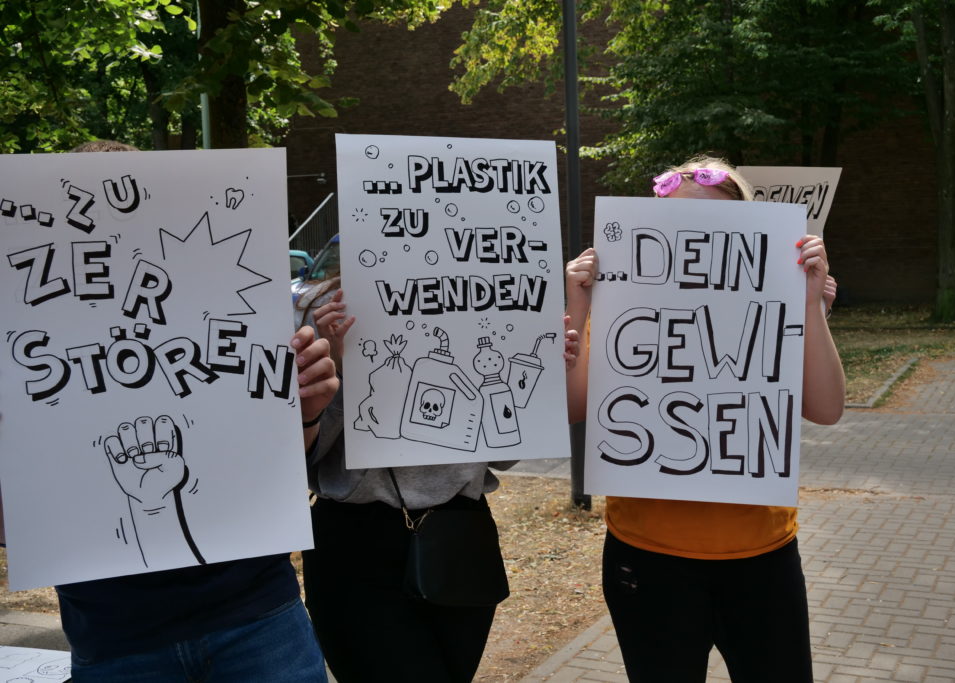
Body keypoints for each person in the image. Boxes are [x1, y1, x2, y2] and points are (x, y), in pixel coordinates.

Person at [53, 140, 336, 682]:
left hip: (258, 615)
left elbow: (276, 468)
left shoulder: (224, 308)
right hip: (116, 638)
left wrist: (304, 413)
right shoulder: (34, 343)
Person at [564, 155, 845, 682]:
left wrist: (809, 305)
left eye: (713, 223)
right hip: (646, 559)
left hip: (763, 557)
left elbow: (827, 409)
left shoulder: (779, 304)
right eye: (675, 222)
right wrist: (576, 306)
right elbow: (574, 409)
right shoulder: (621, 304)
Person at [302, 287, 580, 682]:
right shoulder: (332, 315)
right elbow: (303, 456)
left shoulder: (490, 303)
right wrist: (342, 371)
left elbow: (502, 457)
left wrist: (536, 387)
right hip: (355, 546)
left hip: (460, 538)